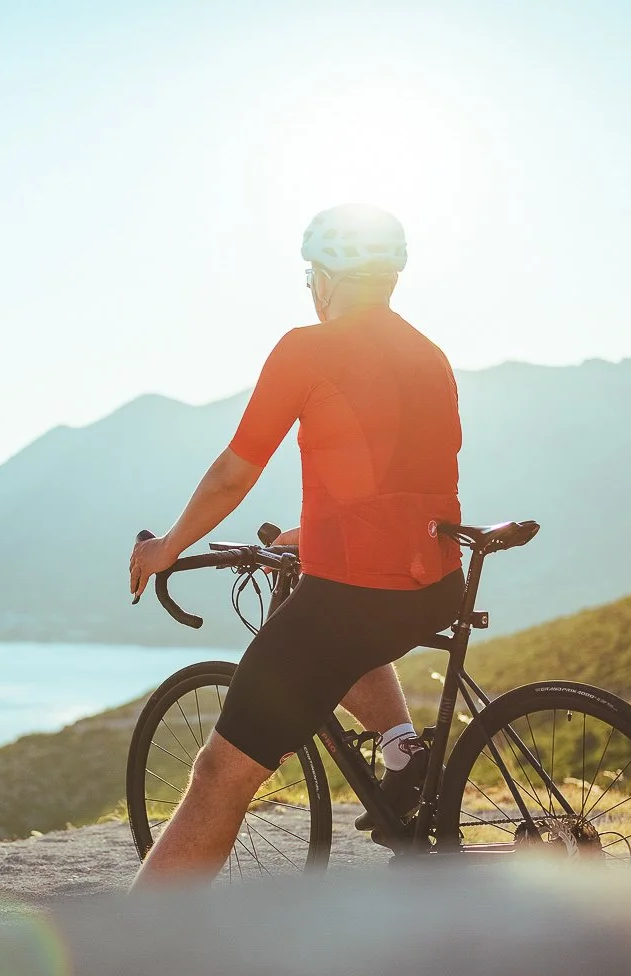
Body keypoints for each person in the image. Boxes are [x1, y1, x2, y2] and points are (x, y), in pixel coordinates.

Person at [127, 203, 465, 887]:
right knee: (341, 637)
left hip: (355, 598)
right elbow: (402, 478)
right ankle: (403, 756)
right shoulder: (430, 356)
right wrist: (316, 535)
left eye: (310, 273)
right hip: (433, 584)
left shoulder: (307, 350)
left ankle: (140, 955)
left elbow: (233, 474)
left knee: (220, 771)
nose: (310, 288)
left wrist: (167, 546)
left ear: (328, 275)